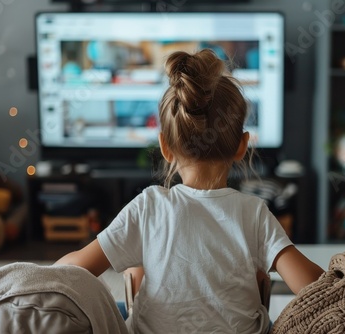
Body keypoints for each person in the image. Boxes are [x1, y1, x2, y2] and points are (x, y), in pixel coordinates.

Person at [55, 49, 324, 333]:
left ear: (165, 147)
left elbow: (73, 271)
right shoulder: (254, 213)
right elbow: (315, 287)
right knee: (258, 287)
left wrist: (42, 275)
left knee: (134, 275)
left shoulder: (148, 206)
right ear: (242, 146)